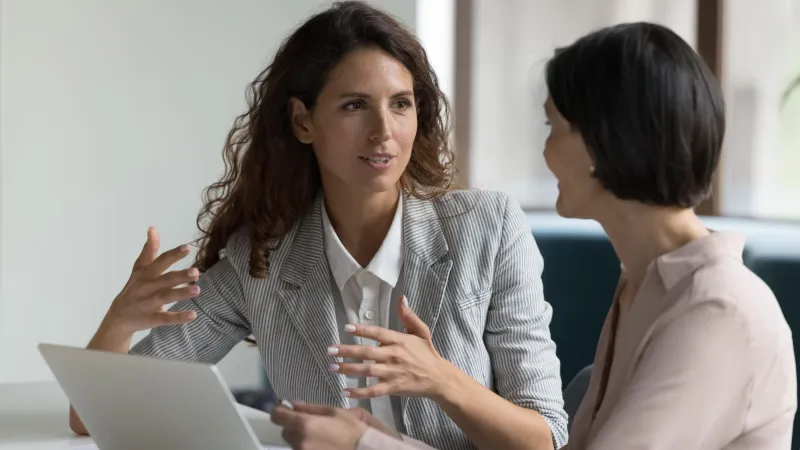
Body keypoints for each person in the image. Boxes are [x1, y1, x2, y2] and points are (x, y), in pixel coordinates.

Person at [271, 21, 797, 450]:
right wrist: (372, 438)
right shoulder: (645, 286)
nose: (544, 153)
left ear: (602, 144)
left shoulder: (716, 309)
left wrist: (372, 444)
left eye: (553, 128)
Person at [66, 2, 569, 449]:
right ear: (303, 122)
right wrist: (121, 321)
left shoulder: (489, 228)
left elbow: (543, 440)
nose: (384, 132)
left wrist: (440, 378)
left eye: (400, 103)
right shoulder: (260, 261)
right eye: (355, 106)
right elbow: (92, 417)